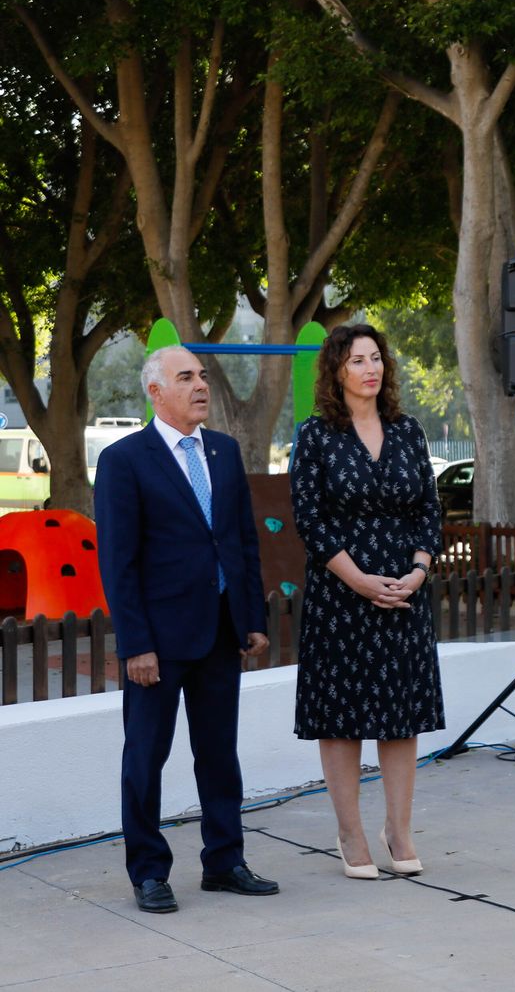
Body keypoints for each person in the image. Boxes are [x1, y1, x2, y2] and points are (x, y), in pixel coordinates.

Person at [94, 347, 277, 914]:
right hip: (159, 641)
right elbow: (118, 562)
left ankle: (224, 861)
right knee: (145, 758)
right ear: (156, 392)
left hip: (221, 632)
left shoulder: (222, 452)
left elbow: (242, 542)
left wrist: (251, 619)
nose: (201, 385)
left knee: (219, 754)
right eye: (186, 377)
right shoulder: (126, 460)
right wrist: (136, 645)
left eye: (201, 376)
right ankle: (148, 871)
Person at [290, 324, 444, 878]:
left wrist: (419, 570)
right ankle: (350, 834)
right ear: (337, 370)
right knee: (342, 719)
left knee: (401, 718)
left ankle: (398, 831)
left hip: (405, 594)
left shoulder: (408, 431)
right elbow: (309, 518)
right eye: (357, 360)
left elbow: (429, 507)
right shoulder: (315, 436)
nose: (369, 369)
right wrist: (357, 579)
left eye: (375, 358)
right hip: (341, 596)